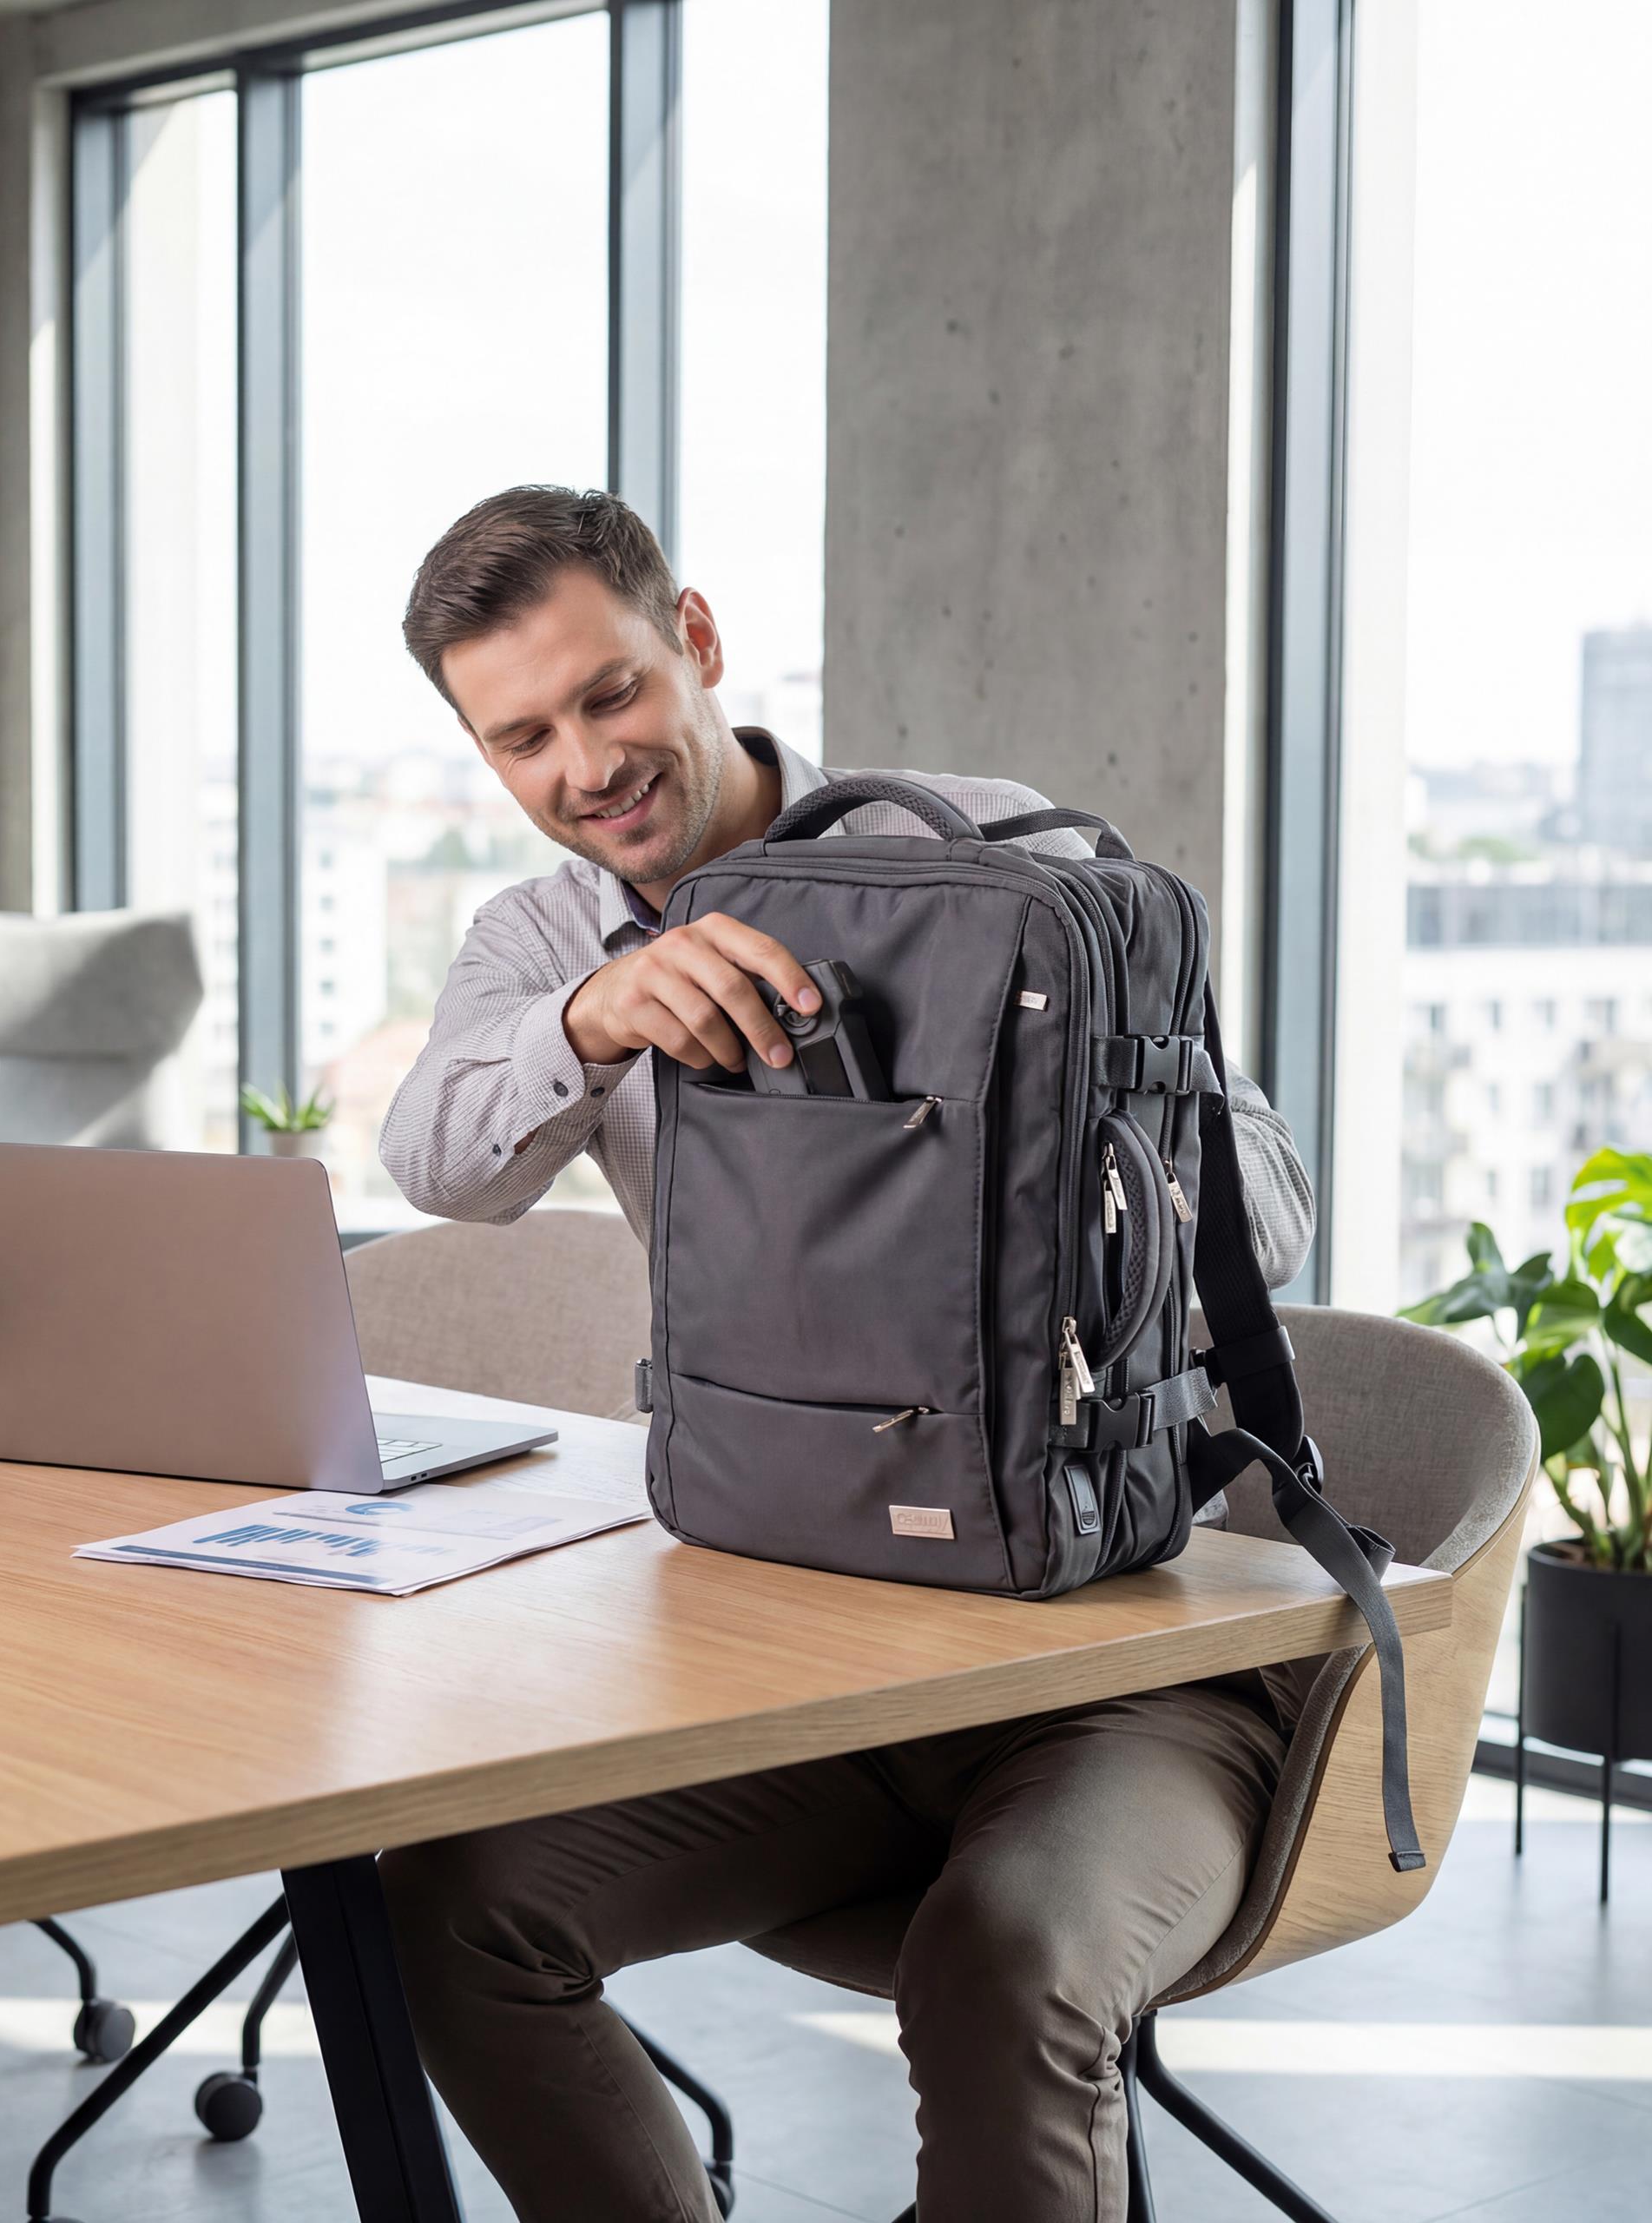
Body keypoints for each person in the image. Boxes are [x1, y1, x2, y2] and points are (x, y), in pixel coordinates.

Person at [372, 487, 1316, 2223]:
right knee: (448, 1901)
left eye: (608, 694)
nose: (583, 765)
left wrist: (1033, 1164)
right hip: (799, 1645)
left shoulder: (1001, 863)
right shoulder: (547, 938)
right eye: (520, 736)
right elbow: (433, 1160)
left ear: (699, 645)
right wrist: (593, 1020)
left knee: (1004, 1956)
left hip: (1114, 1657)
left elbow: (1265, 1202)